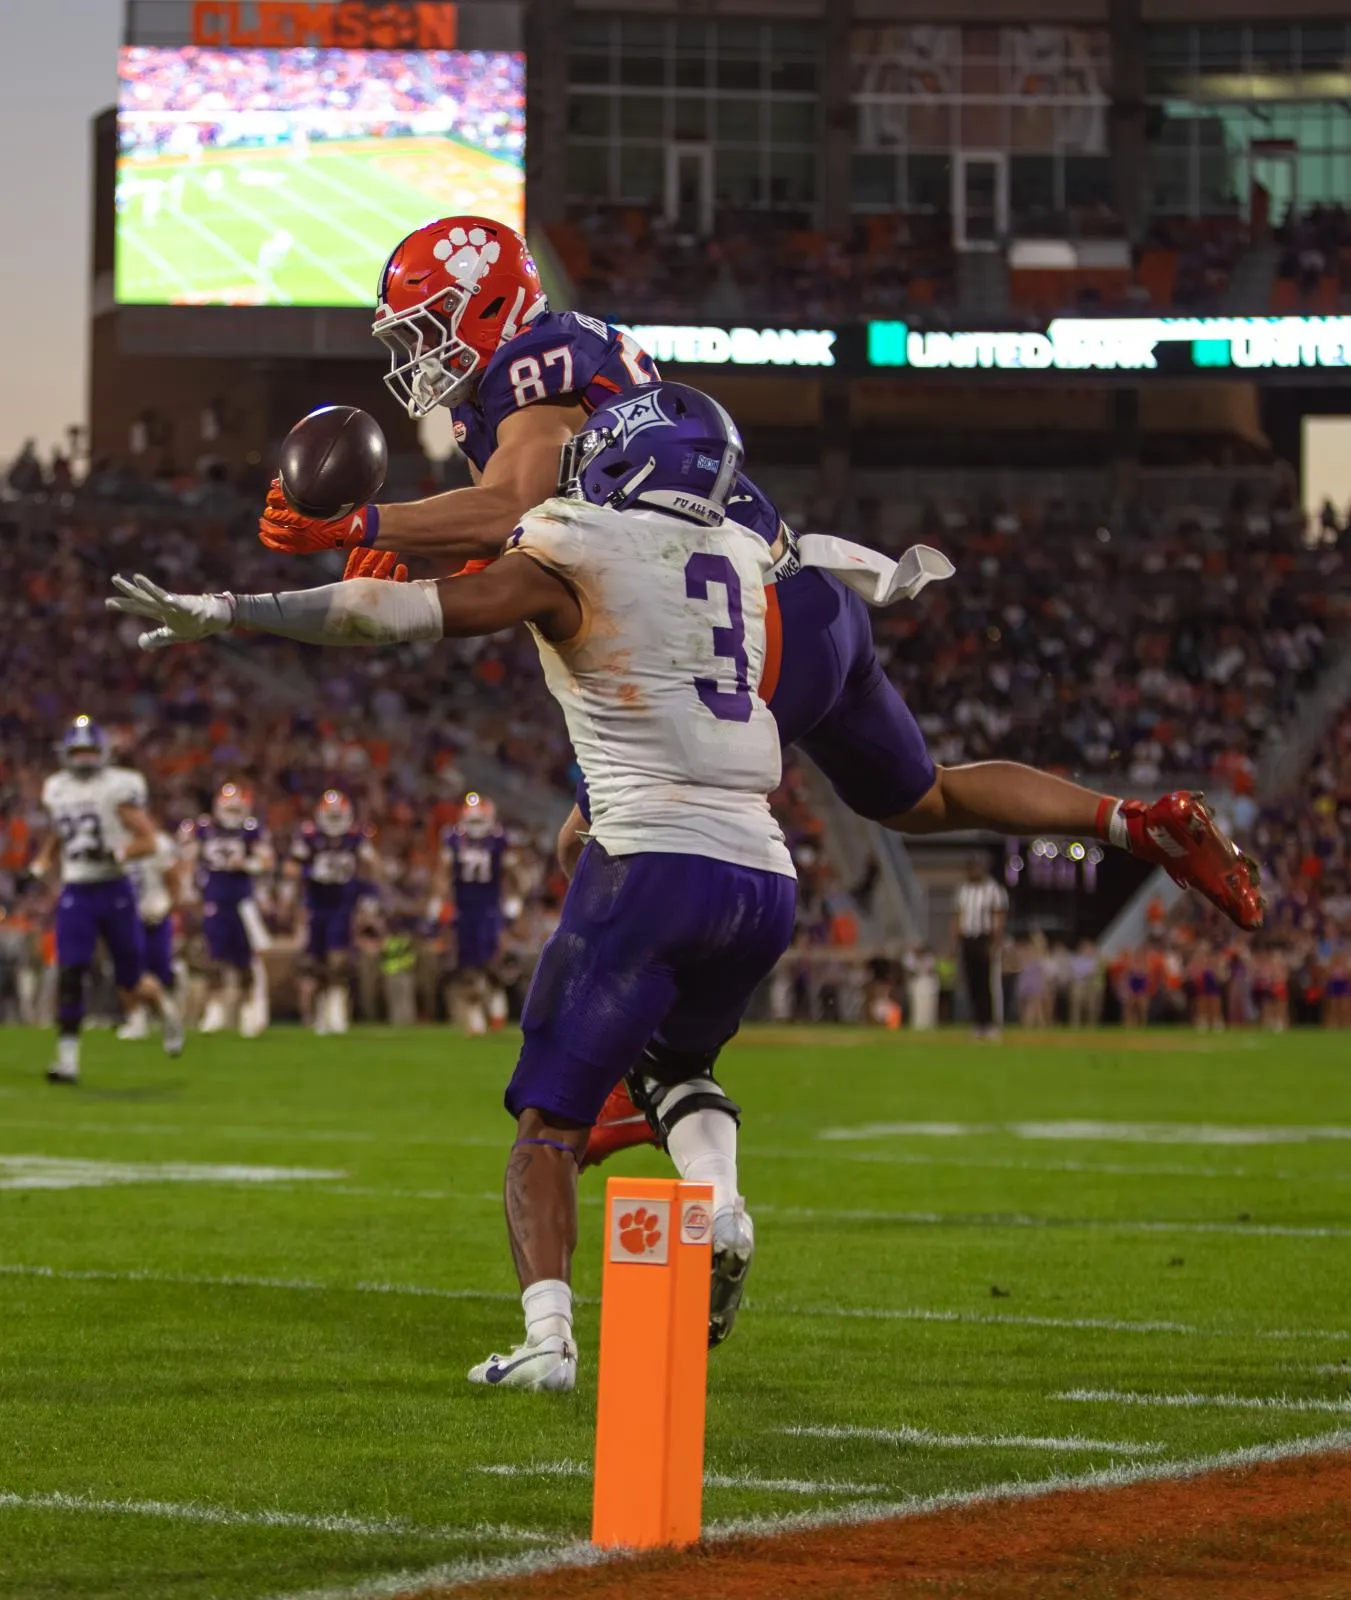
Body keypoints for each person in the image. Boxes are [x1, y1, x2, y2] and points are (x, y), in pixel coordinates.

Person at [253, 212, 1264, 1165]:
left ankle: (632, 1074)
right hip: (807, 605)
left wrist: (366, 525)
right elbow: (541, 526)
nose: (418, 352)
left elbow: (511, 505)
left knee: (600, 839)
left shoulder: (535, 362)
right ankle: (1136, 821)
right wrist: (420, 550)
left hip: (733, 627)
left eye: (429, 324)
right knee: (923, 797)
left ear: (488, 307)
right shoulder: (566, 365)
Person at [108, 382, 798, 1393]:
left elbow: (399, 614)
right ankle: (720, 1203)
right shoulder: (741, 556)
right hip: (763, 873)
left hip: (651, 862)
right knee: (675, 1068)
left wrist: (234, 610)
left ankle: (547, 1339)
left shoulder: (583, 538)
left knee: (547, 1128)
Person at [30, 716, 185, 1082]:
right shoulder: (57, 788)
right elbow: (60, 829)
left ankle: (165, 1008)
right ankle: (67, 1060)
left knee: (130, 980)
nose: (83, 758)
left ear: (103, 753)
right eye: (78, 752)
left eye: (89, 751)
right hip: (77, 890)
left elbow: (149, 840)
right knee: (70, 972)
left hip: (114, 889)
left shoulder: (118, 787)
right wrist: (45, 858)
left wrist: (117, 853)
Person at [182, 783, 275, 1037]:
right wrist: (189, 890)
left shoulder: (252, 830)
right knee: (213, 956)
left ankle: (249, 1009)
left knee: (245, 958)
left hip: (243, 901)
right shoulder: (204, 829)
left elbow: (267, 862)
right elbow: (188, 859)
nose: (233, 814)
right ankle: (216, 1009)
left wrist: (247, 863)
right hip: (214, 898)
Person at [287, 789, 378, 1037]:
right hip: (317, 904)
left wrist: (368, 896)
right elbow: (291, 867)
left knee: (338, 960)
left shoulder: (356, 837)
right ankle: (321, 1010)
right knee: (316, 963)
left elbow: (371, 865)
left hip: (342, 904)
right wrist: (308, 874)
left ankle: (337, 1008)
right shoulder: (309, 836)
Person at [430, 790, 511, 1035]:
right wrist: (439, 900)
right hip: (464, 909)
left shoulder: (498, 840)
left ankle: (496, 1001)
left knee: (489, 962)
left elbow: (511, 875)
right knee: (466, 965)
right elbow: (443, 873)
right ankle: (475, 1017)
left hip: (489, 908)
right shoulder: (454, 839)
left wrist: (513, 900)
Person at [118, 827, 186, 1041]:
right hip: (125, 915)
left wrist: (170, 907)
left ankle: (163, 1010)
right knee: (126, 970)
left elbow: (173, 877)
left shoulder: (159, 844)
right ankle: (136, 1017)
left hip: (155, 914)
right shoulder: (115, 841)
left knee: (158, 970)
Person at [954, 858, 1008, 1040]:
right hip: (968, 937)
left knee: (987, 982)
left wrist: (995, 942)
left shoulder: (993, 890)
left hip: (985, 938)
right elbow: (958, 916)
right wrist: (955, 942)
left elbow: (998, 917)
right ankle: (978, 1022)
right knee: (973, 982)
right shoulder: (964, 890)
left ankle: (990, 1023)